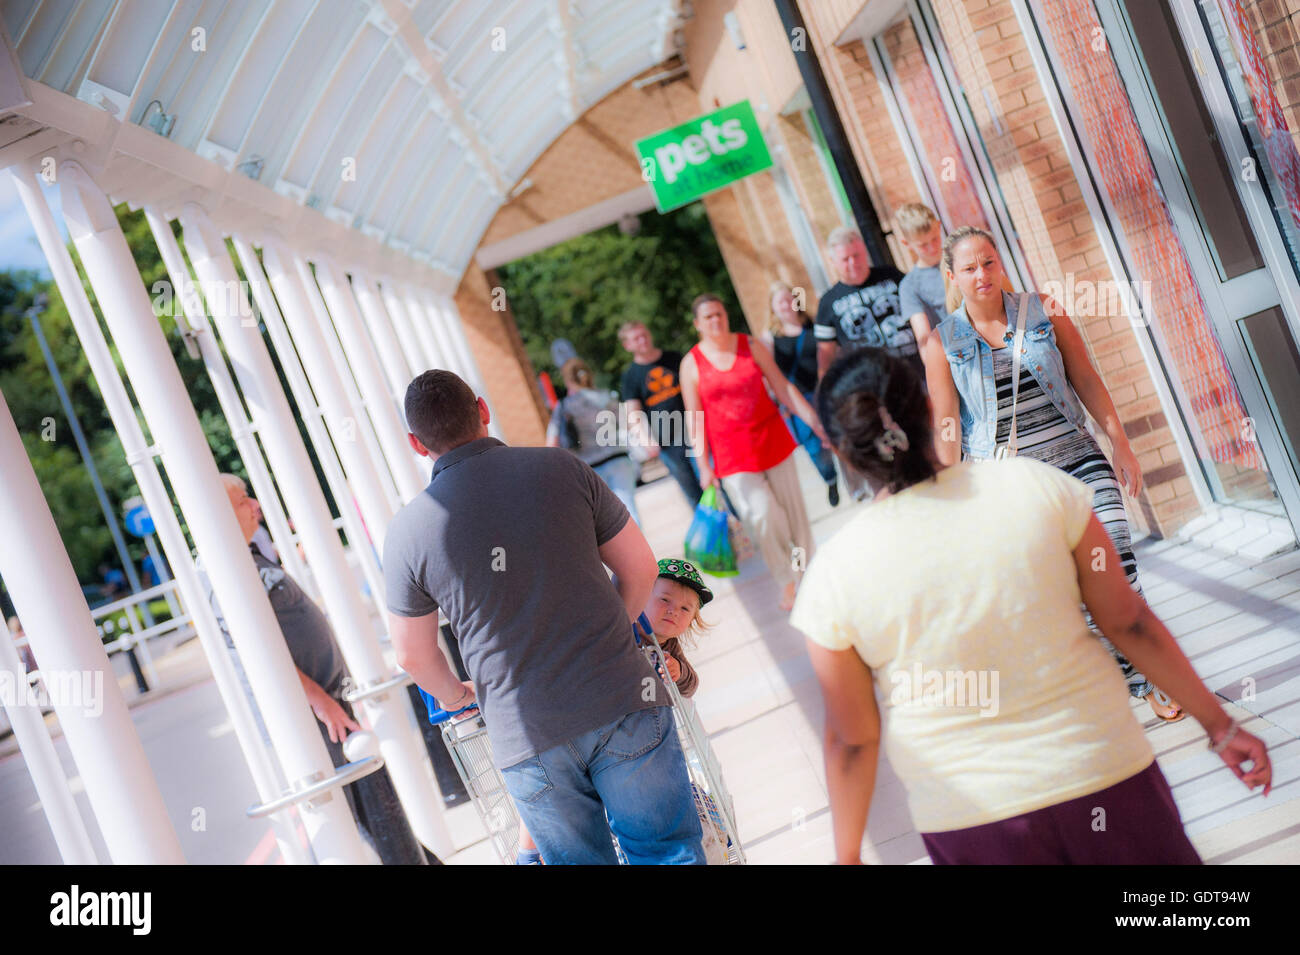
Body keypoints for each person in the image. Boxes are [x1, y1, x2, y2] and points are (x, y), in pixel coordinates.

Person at [792, 347, 1272, 865]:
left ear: (841, 451)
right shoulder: (1035, 486)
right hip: (1105, 775)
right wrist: (1219, 726)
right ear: (932, 409)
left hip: (972, 821)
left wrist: (847, 857)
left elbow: (852, 739)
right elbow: (1129, 622)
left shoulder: (835, 575)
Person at [385, 370, 704, 865]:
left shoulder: (408, 532)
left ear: (414, 443)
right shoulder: (561, 468)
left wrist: (456, 694)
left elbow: (411, 654)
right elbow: (640, 567)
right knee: (665, 852)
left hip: (525, 732)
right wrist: (613, 631)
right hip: (621, 692)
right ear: (483, 409)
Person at [924, 225, 1182, 723]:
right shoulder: (942, 343)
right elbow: (948, 425)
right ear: (953, 276)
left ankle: (1155, 678)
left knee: (1119, 565)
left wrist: (1119, 443)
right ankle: (1135, 678)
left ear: (1001, 263)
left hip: (1080, 460)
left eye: (989, 262)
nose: (982, 274)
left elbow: (1085, 377)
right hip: (1014, 485)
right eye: (970, 267)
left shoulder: (1044, 310)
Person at [204, 474, 436, 865]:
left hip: (327, 707)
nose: (255, 504)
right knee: (366, 808)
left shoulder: (247, 557)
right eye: (244, 500)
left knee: (374, 807)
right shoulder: (227, 576)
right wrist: (320, 703)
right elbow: (257, 654)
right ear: (222, 515)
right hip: (317, 716)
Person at [679, 294, 822, 612]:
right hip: (732, 459)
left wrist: (815, 421)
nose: (716, 321)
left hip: (774, 442)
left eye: (719, 313)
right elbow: (695, 418)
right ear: (697, 324)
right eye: (708, 317)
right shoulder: (691, 363)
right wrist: (703, 466)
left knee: (795, 516)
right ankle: (787, 579)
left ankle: (807, 575)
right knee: (764, 516)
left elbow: (782, 387)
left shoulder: (751, 345)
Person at [768, 281, 840, 508]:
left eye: (788, 299)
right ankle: (830, 478)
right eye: (780, 302)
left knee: (840, 435)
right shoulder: (770, 338)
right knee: (815, 447)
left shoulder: (813, 326)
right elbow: (770, 375)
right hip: (796, 401)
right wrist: (782, 402)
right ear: (773, 308)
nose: (786, 305)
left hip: (824, 391)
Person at [547, 357, 641, 527]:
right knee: (629, 511)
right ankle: (643, 552)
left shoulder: (564, 406)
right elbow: (628, 424)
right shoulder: (605, 397)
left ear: (567, 380)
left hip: (588, 470)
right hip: (618, 458)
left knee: (605, 523)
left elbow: (552, 443)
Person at [618, 321, 703, 508]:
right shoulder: (630, 376)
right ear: (628, 345)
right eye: (636, 339)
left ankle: (734, 528)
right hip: (668, 443)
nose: (642, 341)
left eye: (644, 335)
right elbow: (634, 413)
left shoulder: (674, 358)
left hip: (694, 432)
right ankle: (712, 535)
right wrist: (646, 440)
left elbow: (697, 388)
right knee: (692, 493)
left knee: (711, 481)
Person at [641, 558, 713, 698]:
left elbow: (691, 685)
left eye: (685, 608)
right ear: (643, 596)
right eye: (665, 600)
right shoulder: (624, 626)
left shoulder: (670, 648)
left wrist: (678, 671)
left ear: (691, 620)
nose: (673, 611)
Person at [894, 203, 948, 349]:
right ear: (906, 243)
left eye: (935, 239)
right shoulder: (910, 286)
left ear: (939, 226)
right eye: (923, 245)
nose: (932, 248)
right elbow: (924, 341)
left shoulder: (963, 259)